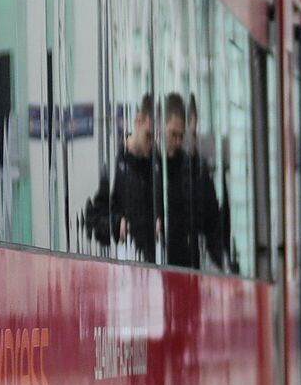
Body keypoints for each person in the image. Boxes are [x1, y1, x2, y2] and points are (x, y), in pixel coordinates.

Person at [81, 95, 162, 261]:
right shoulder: (114, 162)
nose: (151, 145)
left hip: (154, 262)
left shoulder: (157, 162)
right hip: (122, 261)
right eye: (148, 136)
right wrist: (117, 224)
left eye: (154, 138)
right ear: (138, 121)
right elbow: (93, 218)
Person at [161, 92, 226, 271]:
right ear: (163, 127)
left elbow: (212, 220)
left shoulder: (196, 170)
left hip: (190, 266)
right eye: (173, 134)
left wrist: (218, 263)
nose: (178, 141)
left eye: (181, 136)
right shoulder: (155, 167)